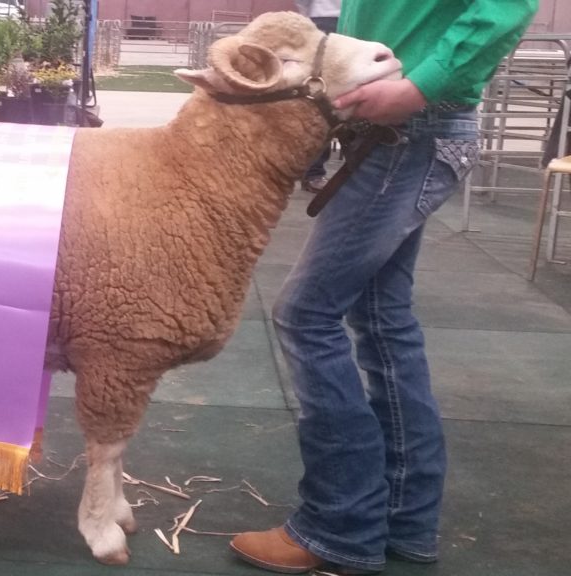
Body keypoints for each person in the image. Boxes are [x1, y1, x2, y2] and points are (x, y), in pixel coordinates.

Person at [230, 1, 539, 574]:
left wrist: (420, 88)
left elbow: (509, 5)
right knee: (382, 319)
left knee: (307, 315)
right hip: (398, 127)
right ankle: (405, 518)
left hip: (410, 130)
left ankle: (338, 526)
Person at [295, 0, 341, 194]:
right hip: (326, 20)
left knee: (331, 103)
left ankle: (315, 173)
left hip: (330, 20)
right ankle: (313, 172)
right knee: (320, 104)